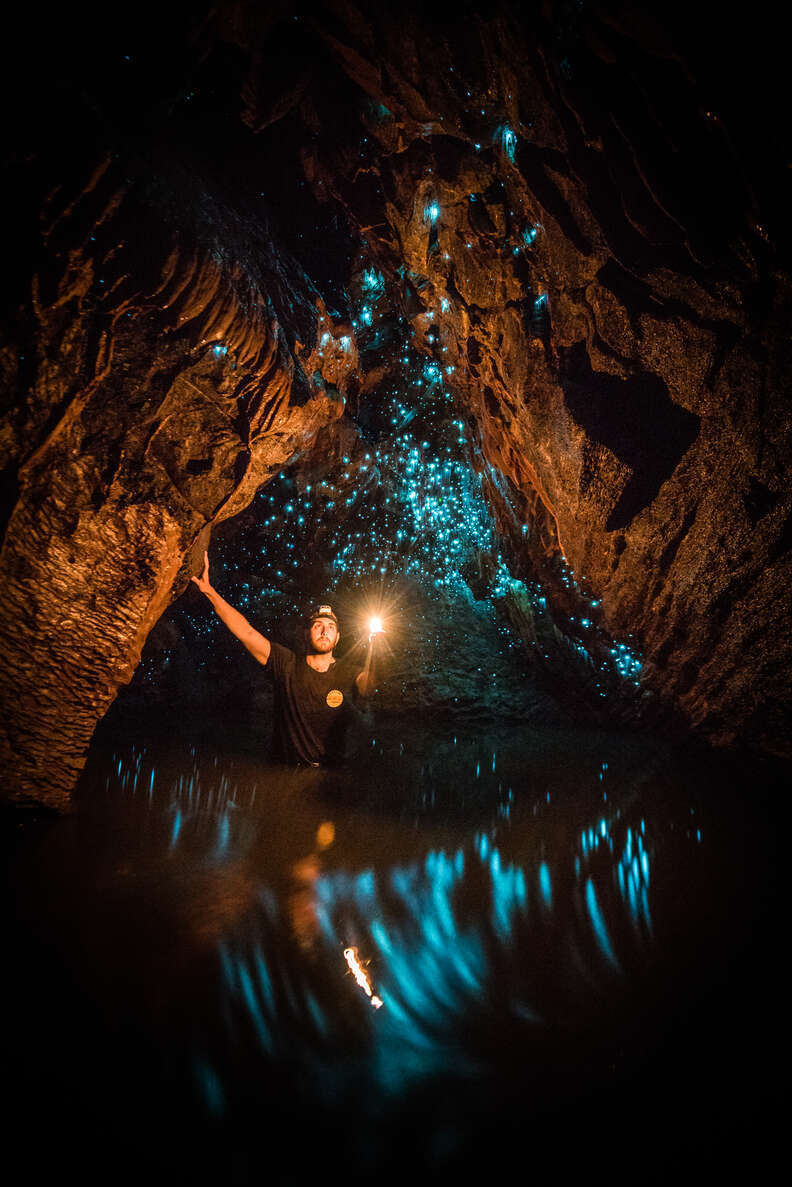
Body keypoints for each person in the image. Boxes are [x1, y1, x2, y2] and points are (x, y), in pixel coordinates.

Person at [191, 551, 379, 766]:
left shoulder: (350, 671)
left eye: (330, 627)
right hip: (284, 771)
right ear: (306, 634)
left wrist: (376, 650)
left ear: (337, 638)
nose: (324, 631)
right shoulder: (286, 663)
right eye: (318, 626)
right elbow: (246, 632)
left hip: (328, 777)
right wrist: (209, 592)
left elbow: (367, 687)